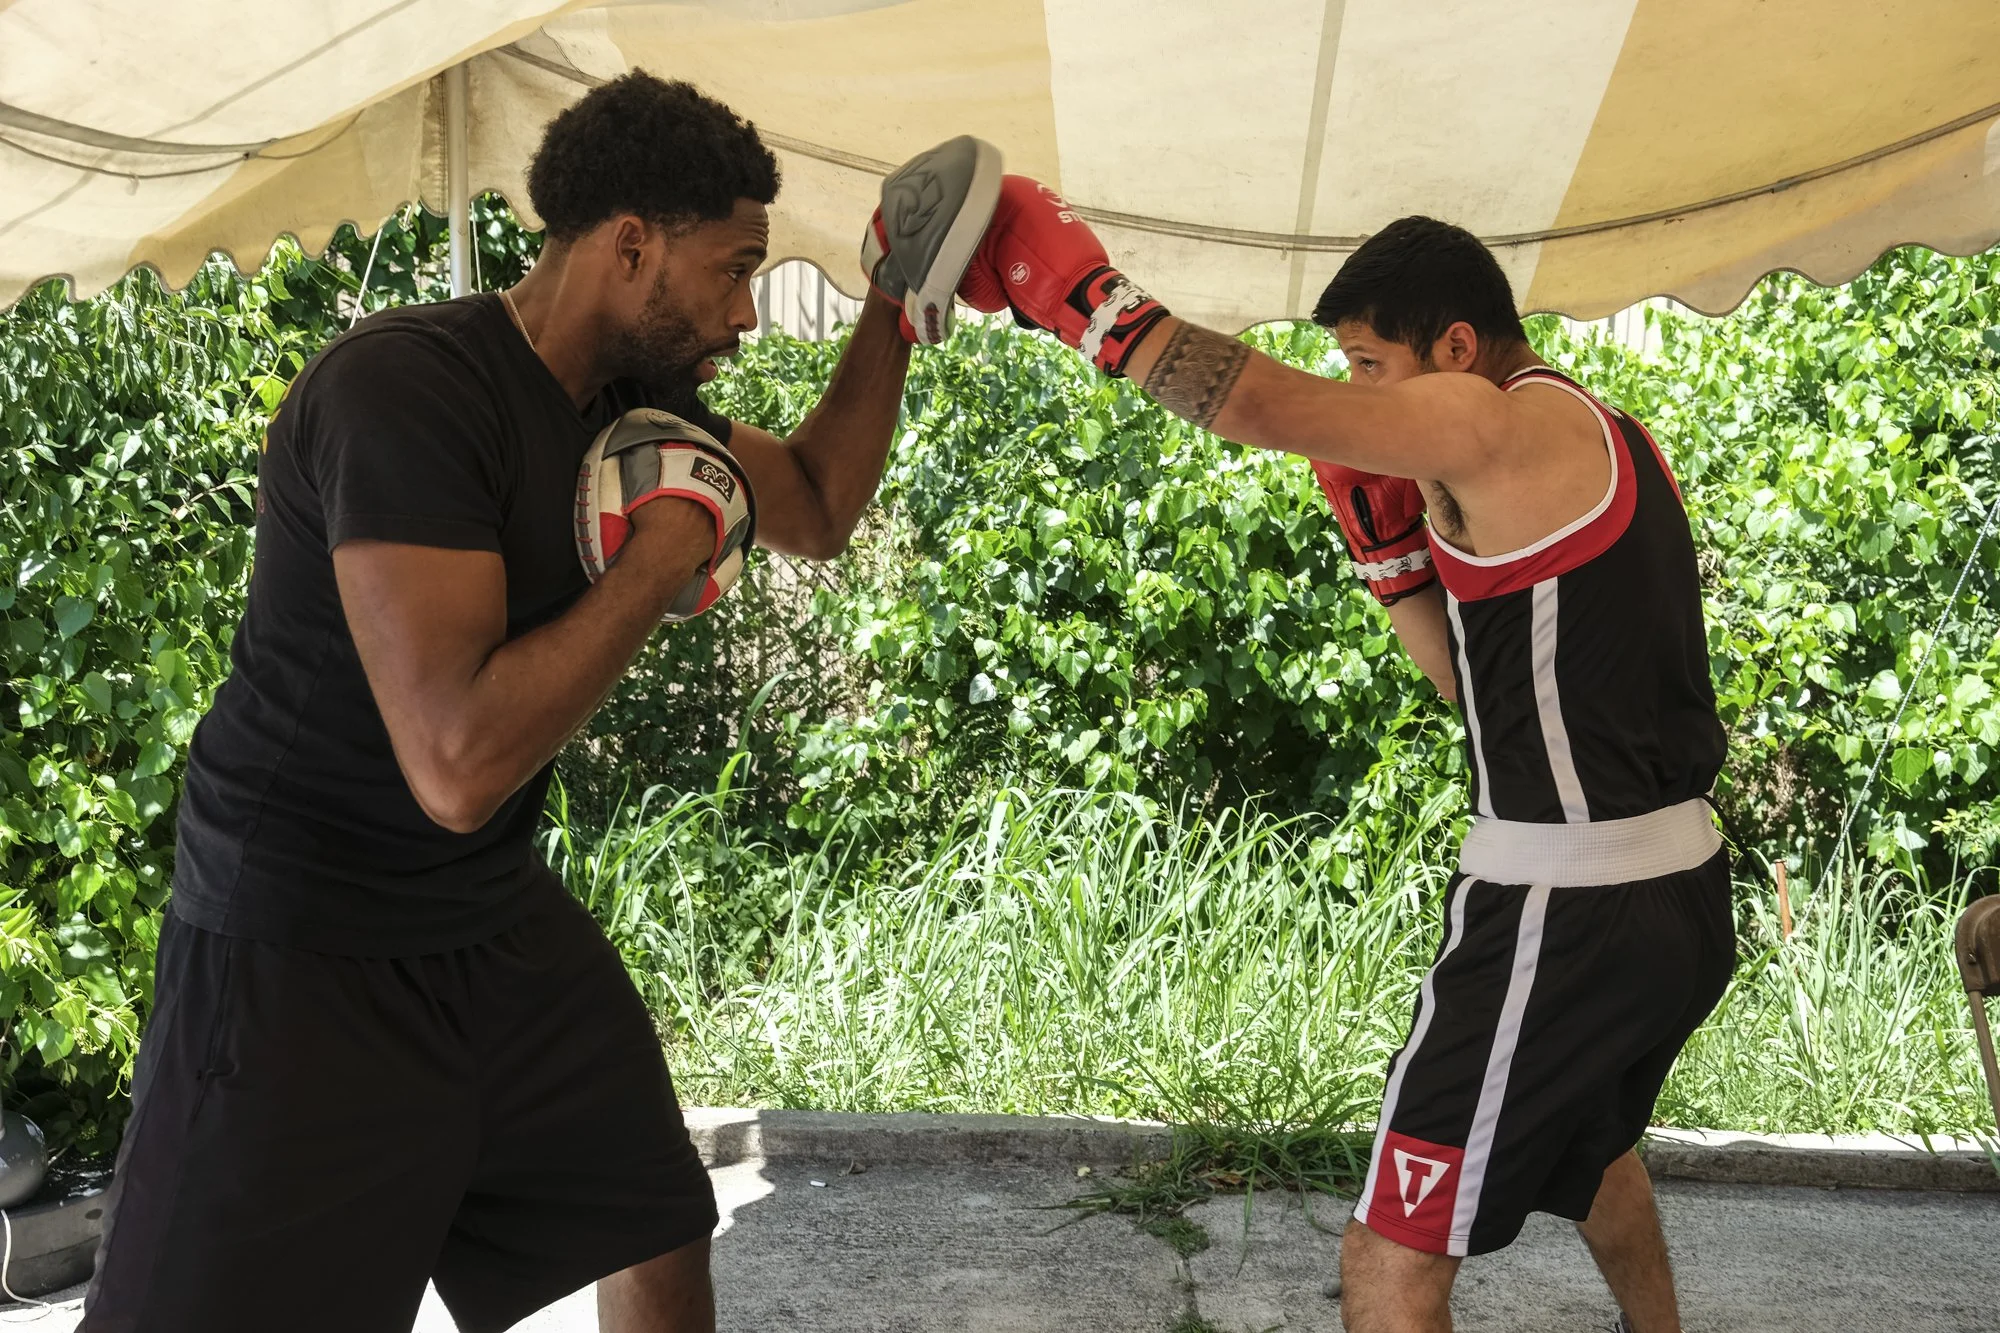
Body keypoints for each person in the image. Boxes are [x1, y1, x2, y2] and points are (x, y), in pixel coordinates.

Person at [82, 74, 991, 1333]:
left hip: (485, 918)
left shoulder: (632, 408)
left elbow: (821, 507)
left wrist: (895, 299)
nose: (742, 313)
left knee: (656, 1222)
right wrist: (663, 557)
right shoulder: (402, 392)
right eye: (731, 272)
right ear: (630, 247)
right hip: (299, 942)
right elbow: (456, 764)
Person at [961, 186, 1732, 1333]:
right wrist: (1395, 567)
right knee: (1591, 1144)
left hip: (1561, 907)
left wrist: (1090, 308)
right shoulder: (1602, 441)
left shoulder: (1492, 421)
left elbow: (1260, 402)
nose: (1359, 393)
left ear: (1456, 348)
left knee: (1392, 1247)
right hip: (1670, 895)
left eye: (1370, 364)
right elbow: (1477, 694)